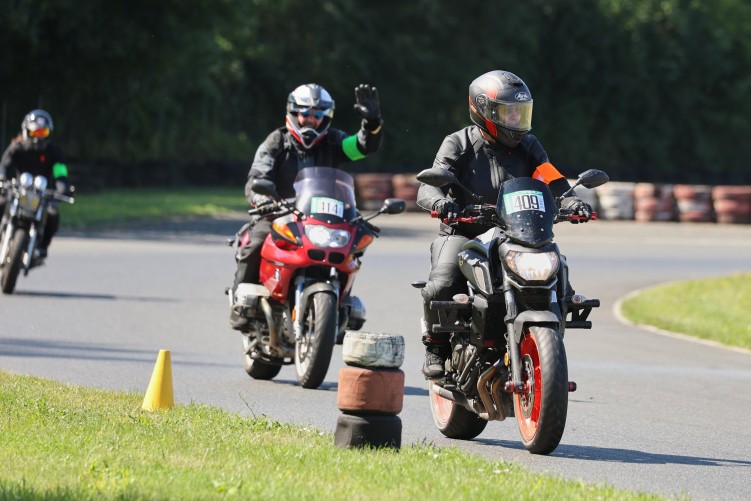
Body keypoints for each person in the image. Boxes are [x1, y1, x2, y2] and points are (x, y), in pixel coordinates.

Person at [416, 70, 592, 379]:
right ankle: (436, 345)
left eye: (520, 112)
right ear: (483, 111)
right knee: (443, 282)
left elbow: (552, 180)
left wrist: (570, 201)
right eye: (509, 112)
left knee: (556, 265)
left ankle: (550, 330)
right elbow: (429, 184)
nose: (517, 119)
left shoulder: (529, 145)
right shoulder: (458, 143)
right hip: (465, 231)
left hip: (517, 233)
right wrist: (441, 202)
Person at [229, 83, 383, 330]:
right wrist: (265, 201)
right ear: (293, 112)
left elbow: (363, 146)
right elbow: (257, 177)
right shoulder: (277, 141)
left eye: (318, 114)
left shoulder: (334, 141)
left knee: (355, 246)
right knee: (255, 243)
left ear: (325, 117)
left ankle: (340, 307)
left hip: (321, 219)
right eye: (306, 113)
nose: (311, 119)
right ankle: (242, 303)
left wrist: (372, 123)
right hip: (278, 215)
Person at [0, 109, 71, 259]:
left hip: (43, 193)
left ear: (49, 133)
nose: (38, 138)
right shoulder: (17, 148)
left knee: (53, 213)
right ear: (27, 132)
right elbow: (5, 165)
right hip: (18, 189)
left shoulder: (54, 153)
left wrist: (62, 190)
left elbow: (61, 174)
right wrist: (2, 179)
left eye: (42, 133)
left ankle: (42, 246)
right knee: (2, 201)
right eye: (35, 133)